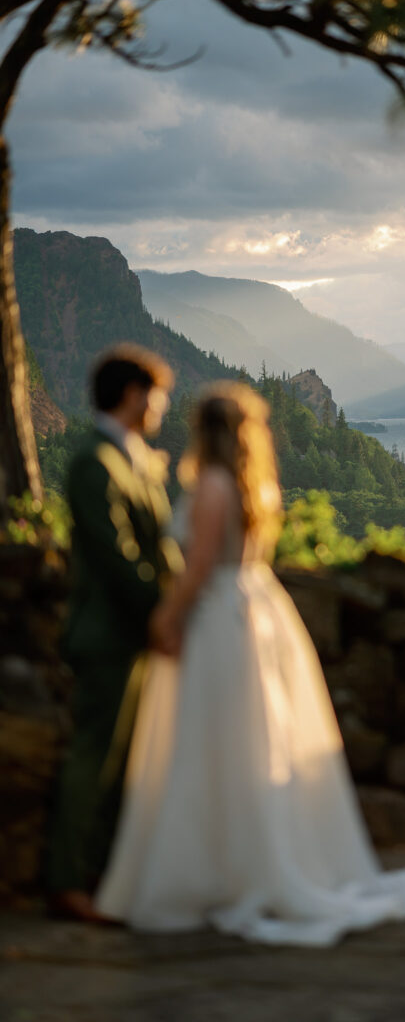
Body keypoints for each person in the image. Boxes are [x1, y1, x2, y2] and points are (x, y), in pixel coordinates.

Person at [96, 382, 405, 946]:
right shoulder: (256, 485)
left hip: (220, 615)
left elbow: (198, 567)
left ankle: (220, 869)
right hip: (257, 608)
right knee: (253, 740)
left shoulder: (215, 485)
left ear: (206, 429)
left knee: (211, 741)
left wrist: (167, 618)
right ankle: (242, 858)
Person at [47, 344, 183, 922]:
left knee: (124, 760)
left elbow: (158, 546)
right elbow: (116, 556)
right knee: (93, 758)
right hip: (107, 634)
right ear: (132, 395)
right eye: (157, 395)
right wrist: (164, 611)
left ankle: (104, 874)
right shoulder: (93, 462)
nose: (163, 406)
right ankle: (68, 881)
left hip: (134, 633)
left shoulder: (130, 456)